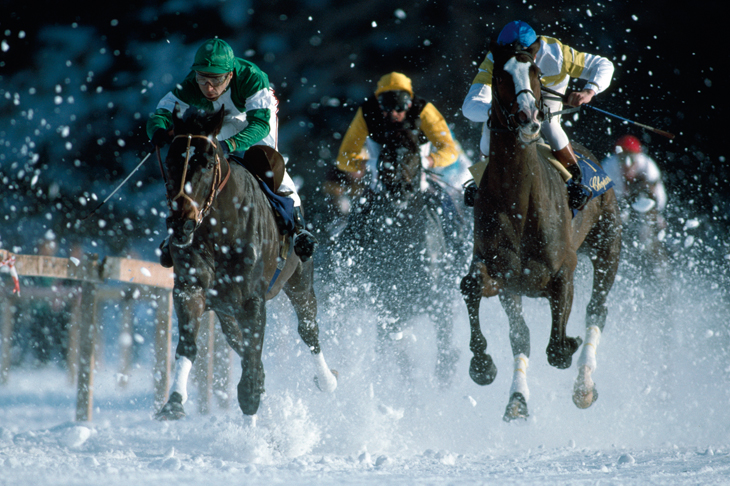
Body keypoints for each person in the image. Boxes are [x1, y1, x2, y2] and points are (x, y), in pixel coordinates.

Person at [147, 38, 317, 267]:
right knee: (196, 167)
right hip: (222, 119)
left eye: (215, 79)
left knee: (267, 162)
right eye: (202, 78)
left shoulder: (252, 78)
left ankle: (297, 228)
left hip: (254, 120)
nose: (208, 87)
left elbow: (260, 125)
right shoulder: (191, 84)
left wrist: (231, 145)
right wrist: (157, 129)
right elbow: (163, 110)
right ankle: (181, 228)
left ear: (229, 75)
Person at [461, 20, 615, 210]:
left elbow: (603, 65)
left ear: (537, 49)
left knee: (550, 126)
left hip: (546, 92)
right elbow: (469, 107)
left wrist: (589, 91)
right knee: (489, 126)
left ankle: (577, 181)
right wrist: (497, 113)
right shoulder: (494, 59)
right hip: (513, 99)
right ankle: (482, 180)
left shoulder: (556, 53)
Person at [602, 134, 667, 215]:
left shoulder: (648, 167)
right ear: (616, 158)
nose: (627, 164)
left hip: (642, 198)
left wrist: (658, 213)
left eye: (631, 158)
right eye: (622, 158)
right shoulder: (608, 169)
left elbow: (660, 196)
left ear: (638, 158)